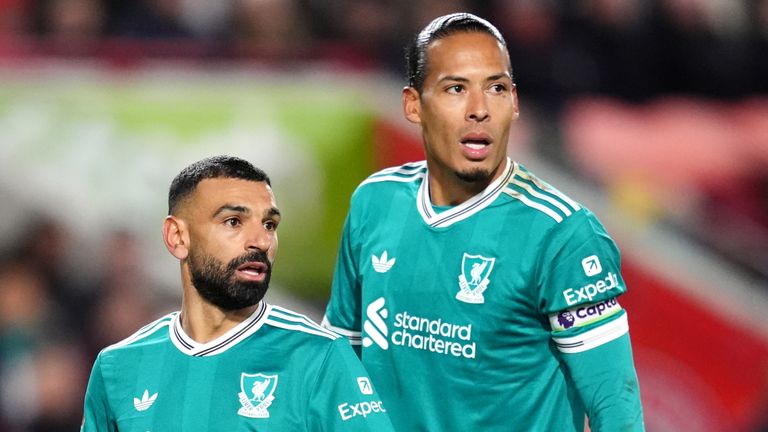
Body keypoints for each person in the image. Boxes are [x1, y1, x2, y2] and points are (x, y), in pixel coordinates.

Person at [322, 13, 645, 431]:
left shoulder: (561, 234)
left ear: (513, 102)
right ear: (413, 104)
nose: (479, 110)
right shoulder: (375, 202)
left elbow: (615, 406)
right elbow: (340, 365)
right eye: (456, 88)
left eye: (495, 88)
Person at [81, 156, 394, 431]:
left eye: (270, 224)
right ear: (177, 237)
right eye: (233, 221)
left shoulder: (318, 358)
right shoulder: (117, 367)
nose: (260, 240)